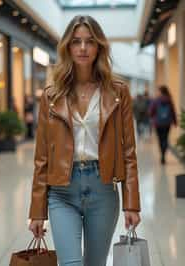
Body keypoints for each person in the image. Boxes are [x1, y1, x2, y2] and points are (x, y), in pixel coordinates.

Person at [28, 15, 141, 266]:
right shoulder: (52, 96)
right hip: (61, 192)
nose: (82, 48)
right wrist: (37, 211)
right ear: (67, 46)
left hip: (103, 189)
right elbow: (42, 157)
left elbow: (129, 153)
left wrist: (132, 203)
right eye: (76, 41)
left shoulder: (117, 92)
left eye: (89, 42)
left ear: (99, 46)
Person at [149, 85, 177, 164]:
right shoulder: (169, 100)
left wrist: (152, 117)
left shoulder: (156, 100)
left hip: (158, 123)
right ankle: (164, 154)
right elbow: (173, 111)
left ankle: (162, 155)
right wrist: (175, 122)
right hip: (167, 123)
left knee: (160, 139)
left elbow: (151, 111)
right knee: (165, 138)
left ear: (161, 91)